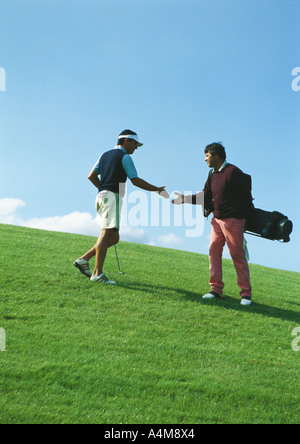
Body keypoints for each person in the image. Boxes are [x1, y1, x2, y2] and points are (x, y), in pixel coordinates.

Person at [73, 130, 169, 285]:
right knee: (105, 233)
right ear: (126, 141)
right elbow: (135, 180)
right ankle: (97, 274)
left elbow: (91, 176)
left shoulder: (103, 155)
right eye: (135, 144)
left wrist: (103, 189)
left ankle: (84, 259)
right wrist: (156, 189)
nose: (136, 148)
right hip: (111, 197)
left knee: (114, 237)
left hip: (101, 196)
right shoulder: (125, 157)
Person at [172, 142, 253, 306]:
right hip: (217, 220)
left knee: (237, 255)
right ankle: (215, 289)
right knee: (213, 251)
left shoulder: (233, 172)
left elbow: (246, 198)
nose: (205, 159)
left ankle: (246, 294)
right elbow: (205, 195)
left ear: (217, 156)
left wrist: (242, 220)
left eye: (207, 155)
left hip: (234, 221)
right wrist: (185, 199)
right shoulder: (212, 174)